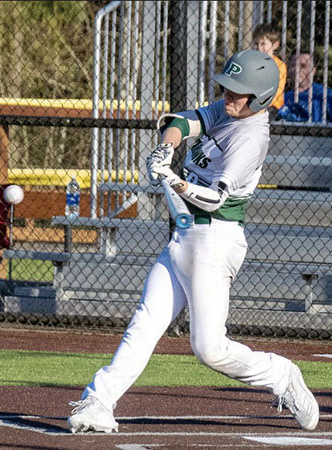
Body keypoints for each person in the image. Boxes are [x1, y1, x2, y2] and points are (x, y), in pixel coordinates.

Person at [67, 50, 319, 434]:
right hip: (186, 234)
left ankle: (281, 374)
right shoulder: (229, 108)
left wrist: (174, 180)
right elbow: (182, 121)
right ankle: (99, 399)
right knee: (145, 322)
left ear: (261, 97)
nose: (228, 96)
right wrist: (167, 148)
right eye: (227, 88)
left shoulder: (252, 137)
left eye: (239, 92)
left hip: (216, 240)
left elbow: (217, 198)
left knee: (209, 349)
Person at [277, 52, 332, 122]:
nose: (297, 69)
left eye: (303, 66)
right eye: (294, 65)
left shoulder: (326, 95)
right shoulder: (282, 97)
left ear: (313, 70)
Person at [252, 22, 287, 116]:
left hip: (272, 107)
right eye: (256, 44)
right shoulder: (252, 63)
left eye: (263, 44)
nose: (259, 48)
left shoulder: (279, 65)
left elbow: (275, 94)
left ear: (275, 45)